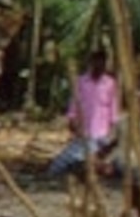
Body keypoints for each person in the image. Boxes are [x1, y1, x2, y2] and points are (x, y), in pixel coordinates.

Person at [45, 49, 122, 179]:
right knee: (74, 156)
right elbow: (74, 102)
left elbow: (113, 106)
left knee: (102, 157)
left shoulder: (110, 83)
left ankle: (95, 170)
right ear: (91, 63)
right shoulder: (81, 81)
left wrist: (114, 126)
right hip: (84, 128)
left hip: (102, 130)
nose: (99, 66)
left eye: (102, 63)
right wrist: (71, 119)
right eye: (96, 62)